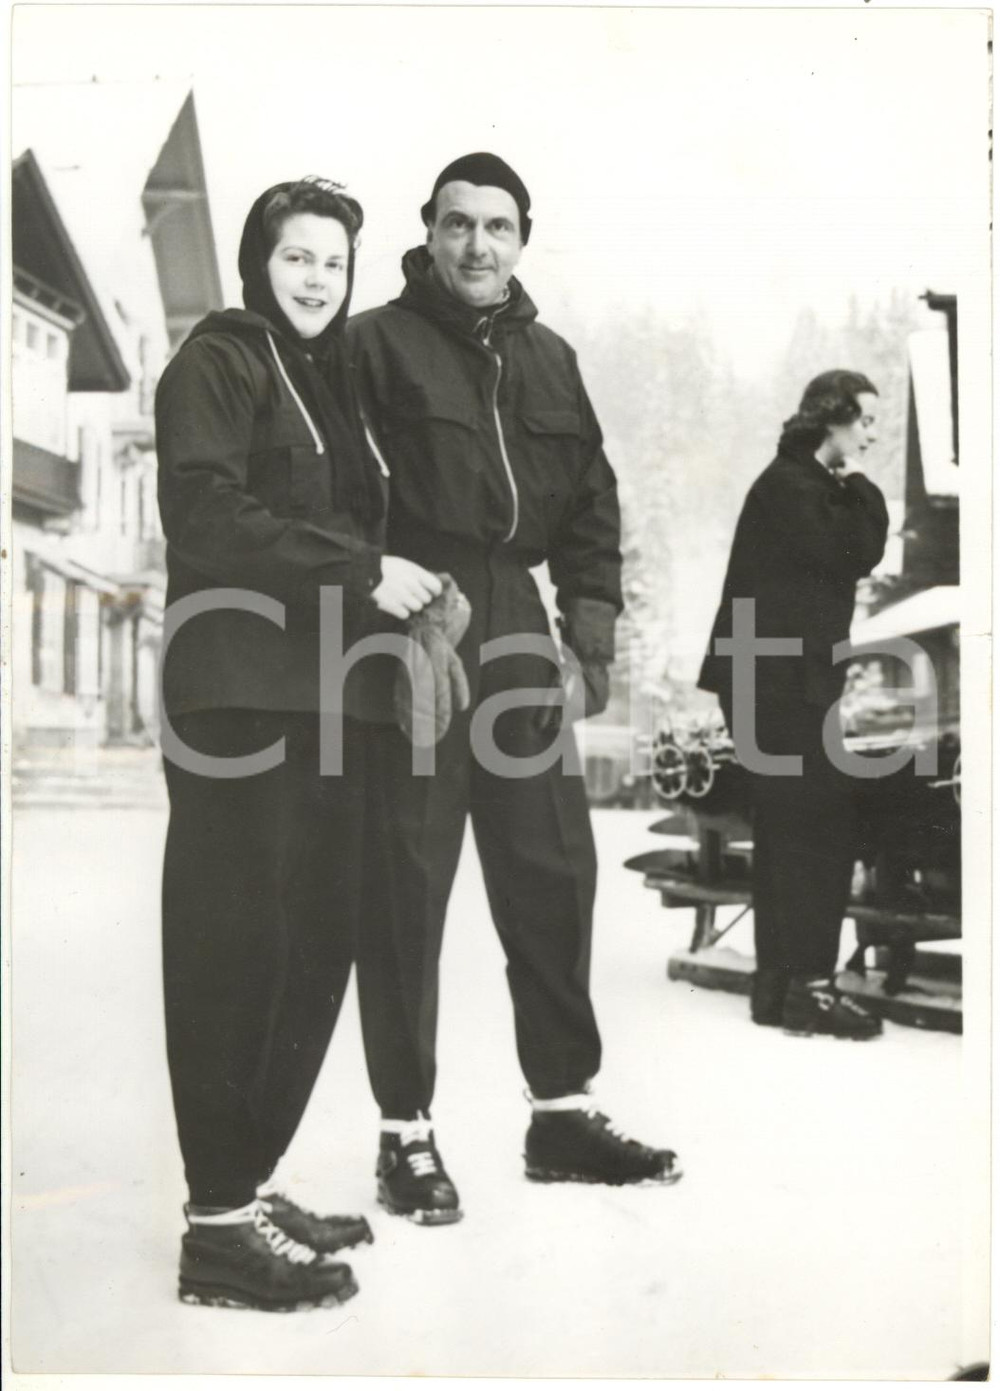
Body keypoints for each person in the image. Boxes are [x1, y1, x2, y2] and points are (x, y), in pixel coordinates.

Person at [347, 152, 681, 1226]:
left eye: (497, 226)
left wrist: (588, 639)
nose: (477, 244)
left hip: (519, 621)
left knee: (553, 868)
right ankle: (405, 1130)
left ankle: (562, 1113)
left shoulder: (550, 358)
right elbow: (340, 491)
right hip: (416, 625)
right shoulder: (372, 345)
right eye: (458, 224)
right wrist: (371, 592)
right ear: (428, 232)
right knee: (408, 878)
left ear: (523, 239)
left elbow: (590, 506)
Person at [155, 176, 442, 1310]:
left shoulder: (335, 383)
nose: (318, 278)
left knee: (316, 942)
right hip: (241, 697)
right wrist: (361, 570)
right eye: (297, 257)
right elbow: (205, 514)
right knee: (236, 947)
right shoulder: (219, 361)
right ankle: (217, 1229)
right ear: (256, 264)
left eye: (334, 261)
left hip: (337, 703)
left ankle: (248, 1178)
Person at [699, 369, 890, 1039]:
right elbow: (858, 549)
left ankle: (779, 990)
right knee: (819, 828)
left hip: (773, 681)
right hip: (774, 683)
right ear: (831, 418)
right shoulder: (794, 486)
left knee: (788, 831)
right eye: (865, 420)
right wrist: (861, 484)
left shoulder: (796, 484)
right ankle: (808, 988)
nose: (872, 434)